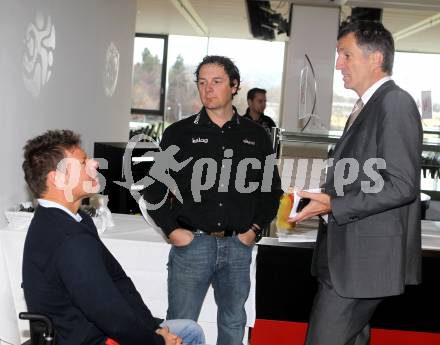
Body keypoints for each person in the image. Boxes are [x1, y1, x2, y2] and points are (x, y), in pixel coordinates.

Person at [290, 21, 422, 345]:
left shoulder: (394, 103)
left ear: (375, 58)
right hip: (347, 262)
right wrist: (324, 199)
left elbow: (402, 185)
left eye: (345, 55)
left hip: (360, 267)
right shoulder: (367, 106)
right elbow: (365, 178)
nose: (338, 65)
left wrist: (335, 204)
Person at [143, 55, 283, 345]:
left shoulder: (256, 136)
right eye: (202, 83)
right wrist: (172, 230)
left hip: (238, 246)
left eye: (216, 82)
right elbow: (154, 188)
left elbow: (270, 191)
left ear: (234, 86)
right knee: (180, 325)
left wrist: (254, 230)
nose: (208, 89)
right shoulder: (179, 133)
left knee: (234, 323)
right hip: (192, 245)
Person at [22, 130, 205, 345]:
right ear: (58, 179)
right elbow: (109, 314)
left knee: (189, 329)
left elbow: (118, 280)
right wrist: (156, 341)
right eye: (83, 163)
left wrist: (153, 329)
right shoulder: (69, 239)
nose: (95, 165)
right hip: (89, 339)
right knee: (190, 334)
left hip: (94, 330)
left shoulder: (74, 219)